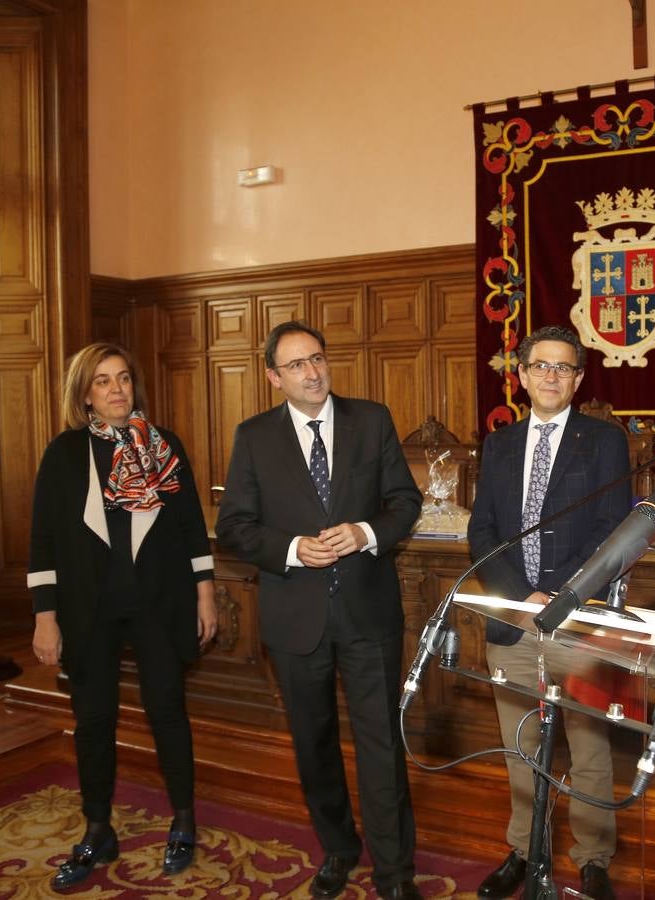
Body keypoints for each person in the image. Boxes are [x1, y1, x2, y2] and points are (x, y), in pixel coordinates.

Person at [215, 321, 423, 900]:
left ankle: (394, 873)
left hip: (368, 614)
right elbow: (234, 526)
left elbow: (405, 502)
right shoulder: (254, 436)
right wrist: (290, 550)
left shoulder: (371, 419)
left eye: (318, 359)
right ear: (273, 377)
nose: (312, 372)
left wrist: (362, 532)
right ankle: (338, 848)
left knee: (381, 745)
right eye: (297, 365)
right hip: (294, 619)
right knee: (313, 744)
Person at [29, 342, 218, 891]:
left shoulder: (163, 446)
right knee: (93, 722)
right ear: (85, 395)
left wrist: (205, 594)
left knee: (166, 711)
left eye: (124, 379)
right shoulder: (64, 453)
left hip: (159, 603)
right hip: (87, 609)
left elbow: (188, 526)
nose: (116, 389)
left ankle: (183, 819)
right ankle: (97, 827)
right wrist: (46, 616)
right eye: (103, 381)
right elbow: (43, 541)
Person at [467, 324, 631, 900]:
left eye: (564, 368)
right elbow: (481, 528)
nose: (551, 376)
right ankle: (524, 849)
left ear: (580, 378)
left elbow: (614, 530)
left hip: (579, 621)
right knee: (519, 744)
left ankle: (592, 858)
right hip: (512, 621)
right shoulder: (500, 444)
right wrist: (522, 596)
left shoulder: (605, 441)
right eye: (541, 366)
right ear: (522, 374)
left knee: (588, 745)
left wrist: (559, 595)